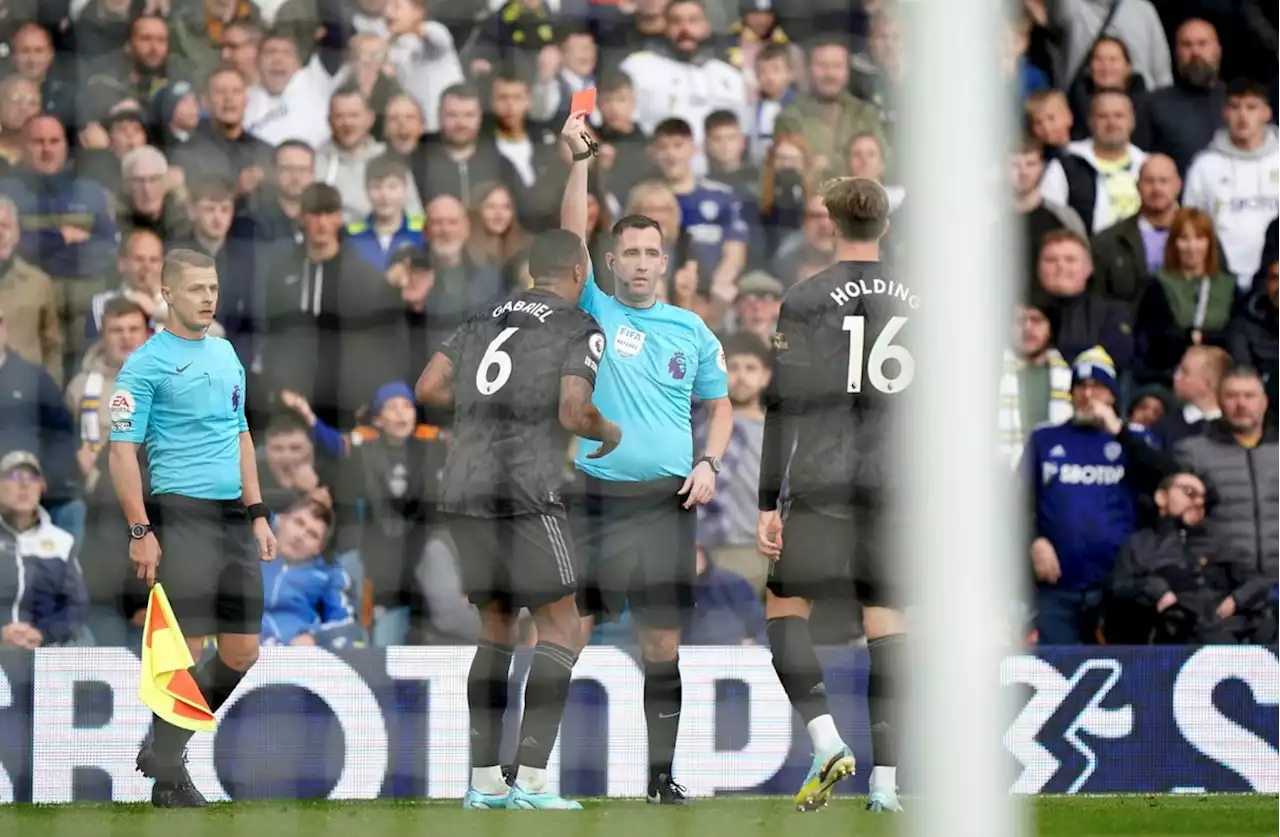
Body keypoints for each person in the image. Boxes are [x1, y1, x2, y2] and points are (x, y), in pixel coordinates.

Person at [415, 227, 621, 811]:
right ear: (581, 273)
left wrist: (482, 410)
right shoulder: (578, 325)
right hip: (526, 488)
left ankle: (484, 783)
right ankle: (530, 782)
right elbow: (574, 410)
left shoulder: (485, 312)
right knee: (561, 627)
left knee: (497, 629)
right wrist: (609, 430)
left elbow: (427, 385)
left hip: (462, 487)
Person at [560, 110, 733, 805]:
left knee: (661, 646)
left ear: (663, 261)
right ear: (610, 263)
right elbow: (571, 234)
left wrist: (711, 463)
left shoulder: (691, 328)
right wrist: (579, 163)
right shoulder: (596, 307)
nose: (636, 262)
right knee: (565, 633)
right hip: (596, 493)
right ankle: (528, 773)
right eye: (626, 252)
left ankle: (661, 779)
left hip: (668, 502)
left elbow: (721, 405)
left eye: (647, 253)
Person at [752, 176, 907, 813]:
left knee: (785, 612)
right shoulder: (925, 299)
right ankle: (888, 788)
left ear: (831, 224)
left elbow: (782, 405)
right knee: (889, 628)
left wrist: (767, 500)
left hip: (822, 479)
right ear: (886, 226)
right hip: (896, 487)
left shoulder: (807, 296)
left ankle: (826, 742)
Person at [107, 249, 278, 808]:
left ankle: (163, 745)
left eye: (214, 287)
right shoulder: (144, 364)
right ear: (168, 295)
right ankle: (169, 781)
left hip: (232, 517)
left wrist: (257, 514)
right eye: (197, 289)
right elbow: (122, 451)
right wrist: (140, 528)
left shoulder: (227, 354)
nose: (208, 297)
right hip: (180, 513)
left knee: (242, 653)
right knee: (188, 648)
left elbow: (241, 435)